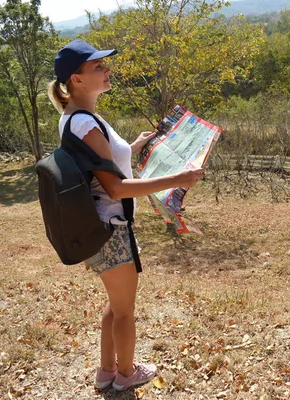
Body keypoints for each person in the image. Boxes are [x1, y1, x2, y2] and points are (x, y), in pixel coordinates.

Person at [47, 39, 204, 391]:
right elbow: (116, 188)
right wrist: (179, 178)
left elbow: (101, 165)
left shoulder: (79, 118)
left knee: (115, 305)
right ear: (77, 79)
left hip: (101, 226)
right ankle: (126, 375)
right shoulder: (84, 123)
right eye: (98, 67)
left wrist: (132, 147)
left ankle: (106, 372)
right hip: (110, 228)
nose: (107, 71)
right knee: (124, 312)